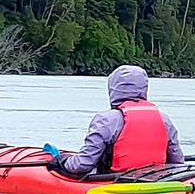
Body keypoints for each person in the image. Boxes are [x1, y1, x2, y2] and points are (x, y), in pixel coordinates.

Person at [49, 65, 184, 176]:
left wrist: (62, 161)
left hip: (115, 180)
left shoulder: (106, 120)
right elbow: (177, 162)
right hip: (156, 180)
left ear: (113, 88)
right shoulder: (164, 119)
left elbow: (82, 165)